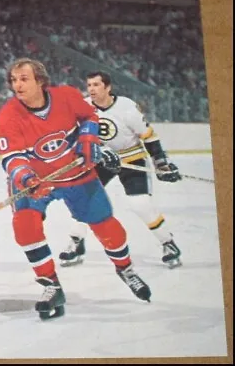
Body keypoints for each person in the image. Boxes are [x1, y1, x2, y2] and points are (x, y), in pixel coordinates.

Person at [0, 58, 151, 320]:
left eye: (24, 79)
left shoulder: (66, 96)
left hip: (76, 174)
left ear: (41, 81)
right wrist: (26, 179)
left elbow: (89, 116)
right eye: (13, 80)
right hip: (37, 182)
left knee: (105, 225)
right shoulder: (8, 114)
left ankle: (125, 269)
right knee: (24, 227)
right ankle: (50, 285)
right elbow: (11, 157)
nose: (17, 85)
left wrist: (89, 138)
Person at [59, 71, 182, 269]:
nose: (91, 89)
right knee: (84, 200)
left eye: (96, 85)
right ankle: (76, 242)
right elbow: (75, 135)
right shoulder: (83, 106)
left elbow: (148, 136)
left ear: (108, 88)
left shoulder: (126, 107)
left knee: (140, 203)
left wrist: (161, 162)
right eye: (89, 85)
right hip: (101, 161)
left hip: (131, 160)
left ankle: (168, 243)